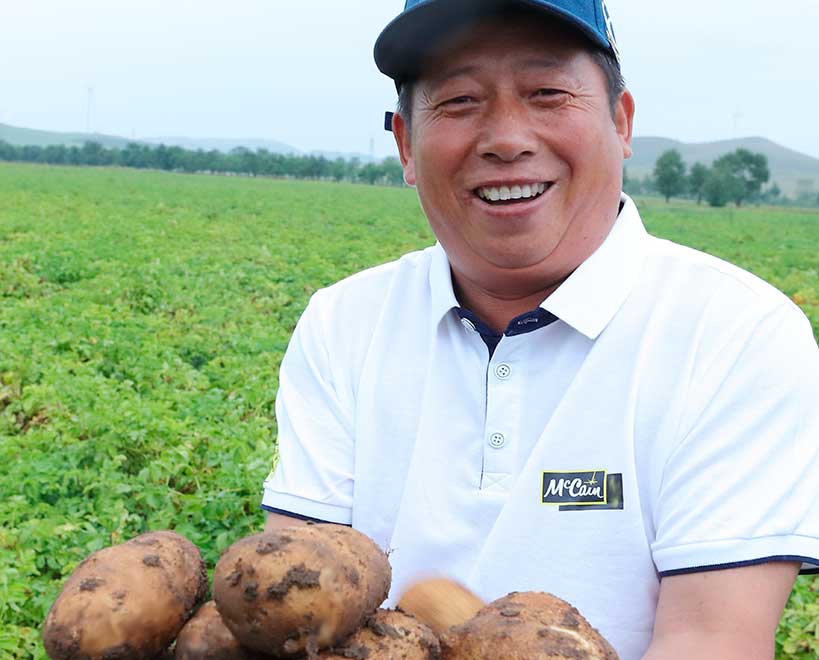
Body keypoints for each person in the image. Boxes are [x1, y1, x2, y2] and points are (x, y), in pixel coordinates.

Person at [260, 1, 819, 657]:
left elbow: (711, 639)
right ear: (406, 147)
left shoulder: (734, 334)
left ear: (620, 122)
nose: (505, 137)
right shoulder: (344, 321)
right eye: (459, 100)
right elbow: (286, 601)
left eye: (546, 93)